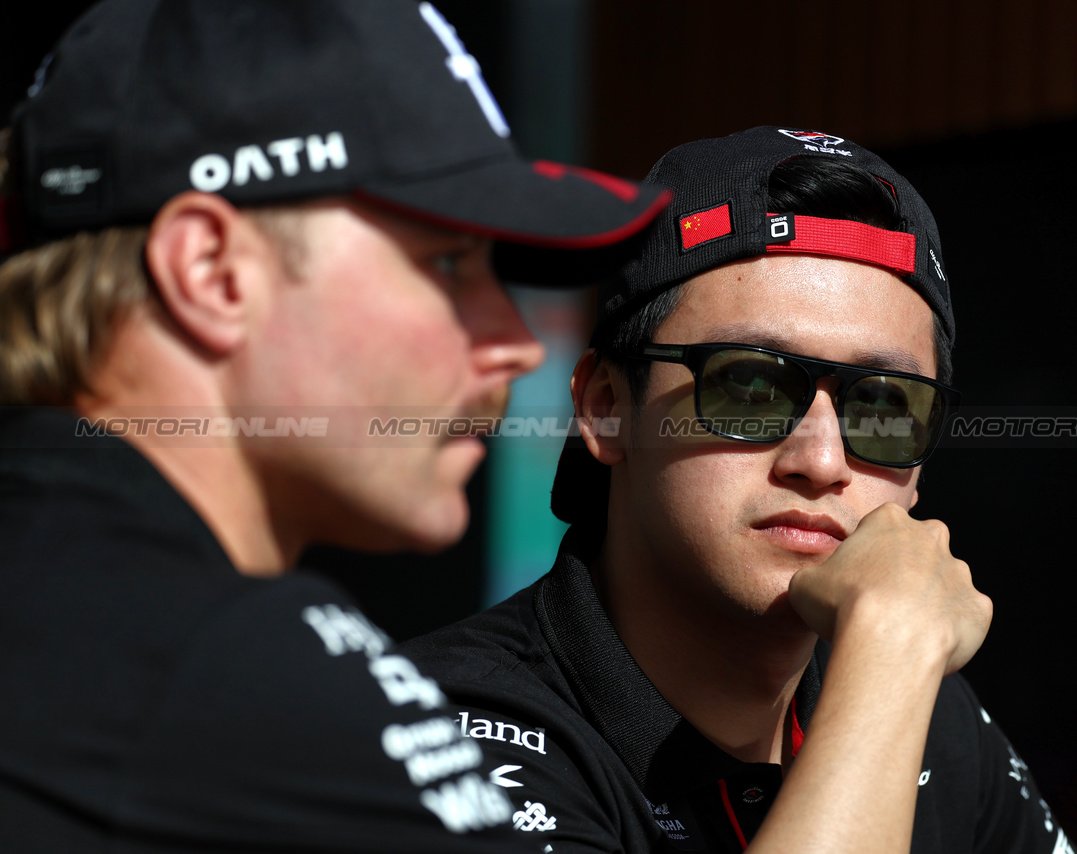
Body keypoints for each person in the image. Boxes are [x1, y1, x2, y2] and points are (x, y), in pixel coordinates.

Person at [0, 1, 670, 850]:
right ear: (211, 273)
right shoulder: (228, 662)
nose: (513, 342)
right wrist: (883, 662)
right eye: (447, 261)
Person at [402, 126, 1077, 853]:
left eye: (884, 406)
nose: (820, 461)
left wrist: (885, 671)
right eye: (749, 384)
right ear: (605, 406)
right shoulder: (432, 731)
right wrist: (886, 661)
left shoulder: (919, 705)